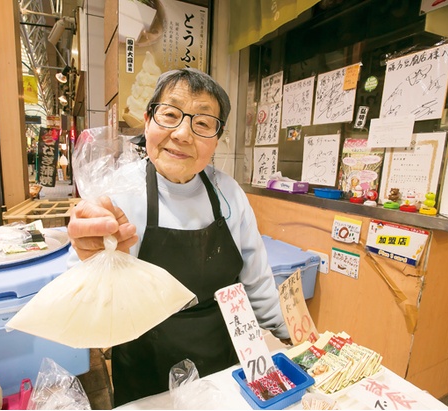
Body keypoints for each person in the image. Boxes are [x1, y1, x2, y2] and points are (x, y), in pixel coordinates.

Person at [67, 68, 290, 406]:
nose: (183, 134)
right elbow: (83, 305)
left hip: (222, 367)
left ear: (216, 139)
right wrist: (90, 264)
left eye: (202, 124)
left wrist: (293, 336)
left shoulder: (229, 194)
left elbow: (257, 286)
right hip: (146, 367)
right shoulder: (115, 193)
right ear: (147, 121)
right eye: (170, 115)